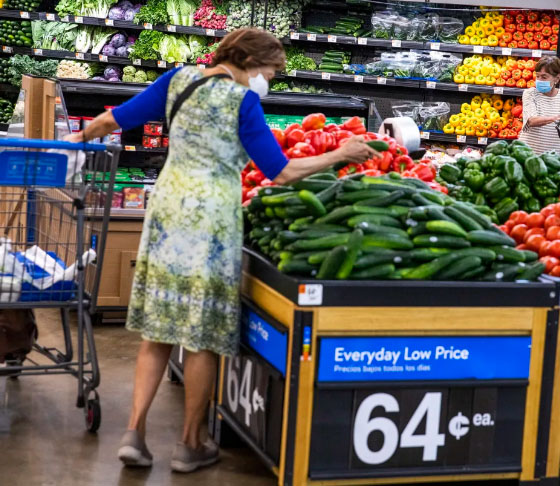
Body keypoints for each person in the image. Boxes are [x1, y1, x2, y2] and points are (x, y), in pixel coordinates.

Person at [66, 28, 377, 473]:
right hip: (212, 220)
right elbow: (282, 172)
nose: (269, 79)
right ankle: (190, 443)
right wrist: (339, 155)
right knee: (202, 337)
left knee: (158, 330)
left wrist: (77, 142)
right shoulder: (242, 101)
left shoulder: (177, 80)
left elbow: (113, 119)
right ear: (251, 62)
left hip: (167, 210)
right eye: (271, 70)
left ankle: (134, 432)